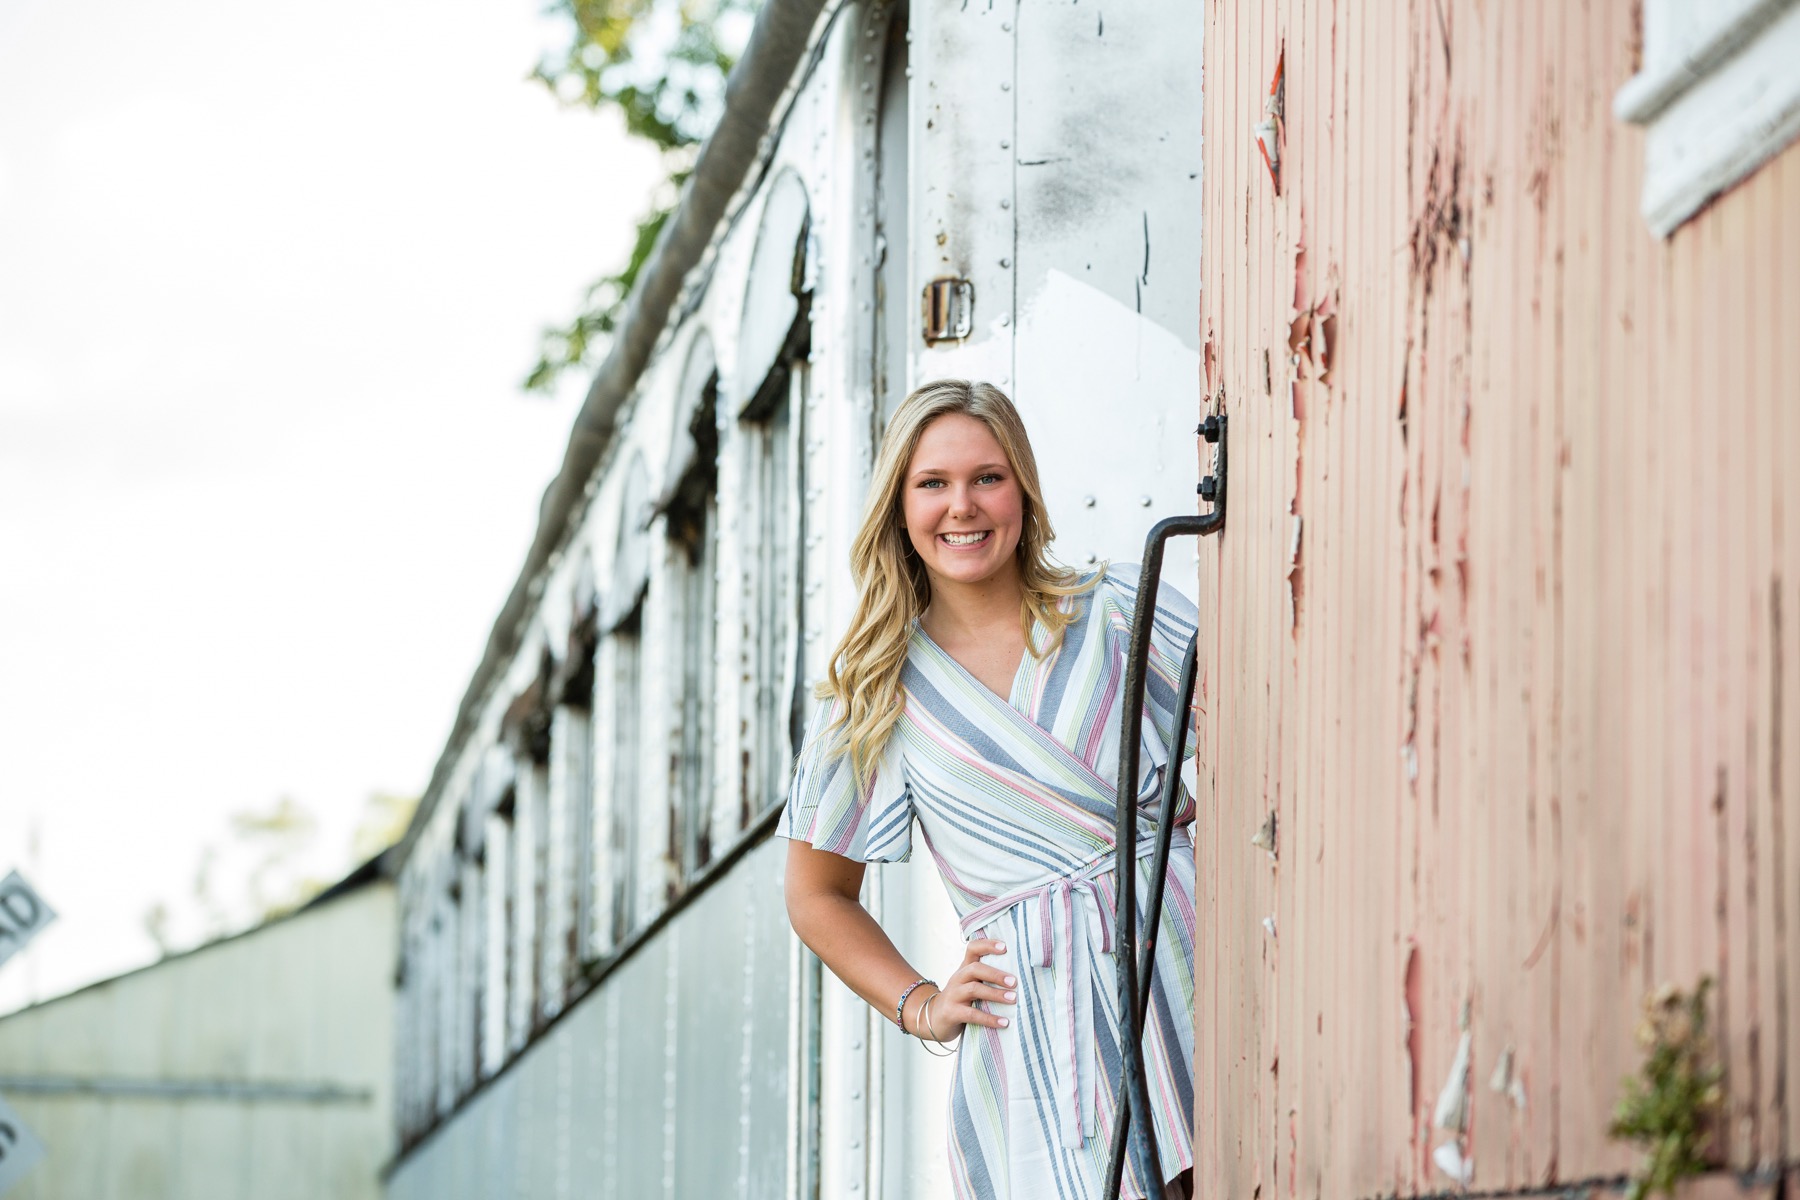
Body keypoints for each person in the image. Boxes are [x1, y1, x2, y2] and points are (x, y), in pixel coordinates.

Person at [778, 379, 1200, 1200]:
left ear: (1023, 489)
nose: (962, 506)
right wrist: (924, 1005)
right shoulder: (875, 690)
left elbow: (1256, 745)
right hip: (1038, 1027)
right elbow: (815, 894)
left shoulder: (1117, 609)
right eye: (932, 483)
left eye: (987, 477)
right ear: (899, 506)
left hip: (1189, 975)